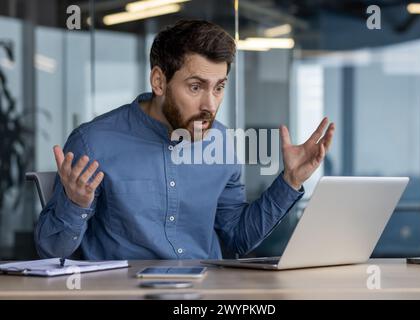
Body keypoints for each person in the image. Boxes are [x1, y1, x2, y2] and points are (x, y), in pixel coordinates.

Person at [34, 20, 335, 260]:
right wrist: (75, 204)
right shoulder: (93, 143)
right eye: (195, 87)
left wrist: (290, 181)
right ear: (159, 81)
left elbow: (237, 239)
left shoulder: (222, 143)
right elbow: (50, 250)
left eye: (219, 87)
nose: (211, 105)